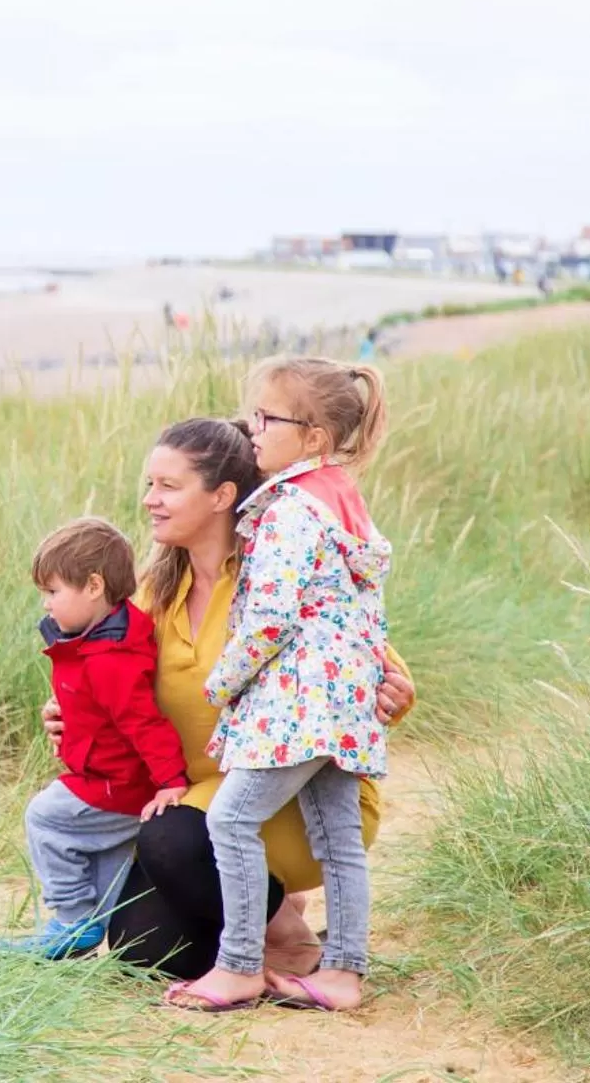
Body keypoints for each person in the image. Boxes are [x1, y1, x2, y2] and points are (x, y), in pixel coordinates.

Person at [39, 420, 415, 983]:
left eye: (168, 486)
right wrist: (71, 716)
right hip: (194, 804)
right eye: (149, 484)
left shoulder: (276, 576)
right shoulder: (152, 596)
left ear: (222, 496)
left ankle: (287, 938)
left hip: (284, 803)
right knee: (142, 950)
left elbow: (368, 662)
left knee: (169, 838)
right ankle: (269, 912)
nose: (149, 500)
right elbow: (107, 681)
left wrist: (395, 692)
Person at [166, 359, 391, 1014]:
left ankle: (238, 964)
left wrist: (221, 682)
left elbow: (269, 618)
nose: (252, 428)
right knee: (338, 836)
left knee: (231, 819)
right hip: (340, 703)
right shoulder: (341, 499)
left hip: (296, 703)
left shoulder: (290, 512)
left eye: (267, 418)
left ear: (314, 435)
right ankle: (344, 970)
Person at [7, 518, 189, 958]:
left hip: (116, 783)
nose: (46, 604)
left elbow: (144, 722)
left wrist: (171, 780)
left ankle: (71, 918)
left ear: (92, 586)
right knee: (104, 854)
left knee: (46, 817)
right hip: (116, 777)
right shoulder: (101, 636)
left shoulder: (111, 658)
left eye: (53, 592)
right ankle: (87, 931)